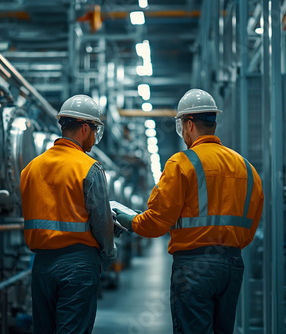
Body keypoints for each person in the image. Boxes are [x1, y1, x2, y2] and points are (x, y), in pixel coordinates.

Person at [114, 88, 264, 334]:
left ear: (190, 124)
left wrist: (130, 221)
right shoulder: (246, 168)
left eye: (181, 126)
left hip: (195, 267)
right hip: (233, 264)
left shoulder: (182, 164)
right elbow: (250, 227)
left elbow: (157, 222)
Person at [21, 95, 116, 334]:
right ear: (85, 128)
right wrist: (107, 254)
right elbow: (102, 222)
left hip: (41, 266)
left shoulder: (31, 169)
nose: (94, 139)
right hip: (79, 264)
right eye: (94, 131)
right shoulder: (89, 169)